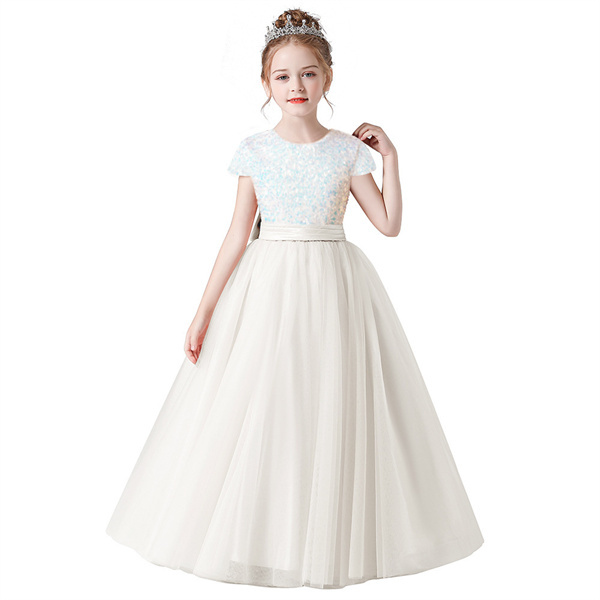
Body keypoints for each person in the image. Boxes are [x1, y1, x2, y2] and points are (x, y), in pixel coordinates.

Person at [105, 7, 484, 589]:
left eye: (308, 74)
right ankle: (262, 543)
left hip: (335, 290)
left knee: (327, 407)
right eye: (283, 76)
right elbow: (237, 234)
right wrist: (203, 311)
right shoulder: (255, 150)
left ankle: (325, 547)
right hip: (267, 289)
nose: (296, 86)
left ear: (327, 77)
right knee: (267, 409)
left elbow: (388, 224)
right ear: (266, 83)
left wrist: (391, 158)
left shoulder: (346, 151)